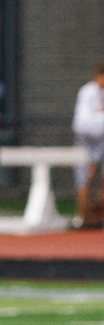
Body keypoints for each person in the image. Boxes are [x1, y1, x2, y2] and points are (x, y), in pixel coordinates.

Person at [73, 62, 104, 230]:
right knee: (85, 178)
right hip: (86, 141)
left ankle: (99, 217)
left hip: (102, 140)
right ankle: (83, 217)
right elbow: (81, 124)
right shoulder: (88, 92)